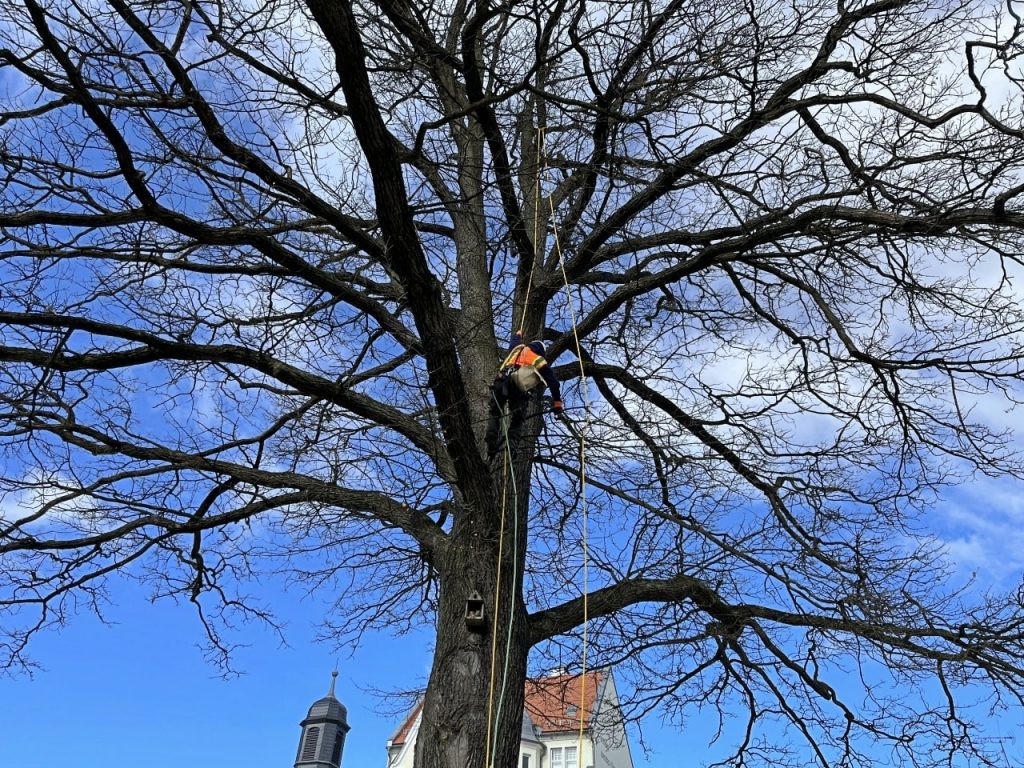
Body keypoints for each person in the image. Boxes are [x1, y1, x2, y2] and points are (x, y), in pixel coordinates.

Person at [485, 330, 563, 461]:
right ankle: (511, 447)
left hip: (501, 381)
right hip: (518, 389)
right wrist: (557, 403)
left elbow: (514, 341)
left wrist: (518, 334)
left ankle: (491, 442)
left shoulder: (516, 350)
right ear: (541, 351)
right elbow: (553, 383)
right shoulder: (538, 359)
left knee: (494, 413)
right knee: (518, 419)